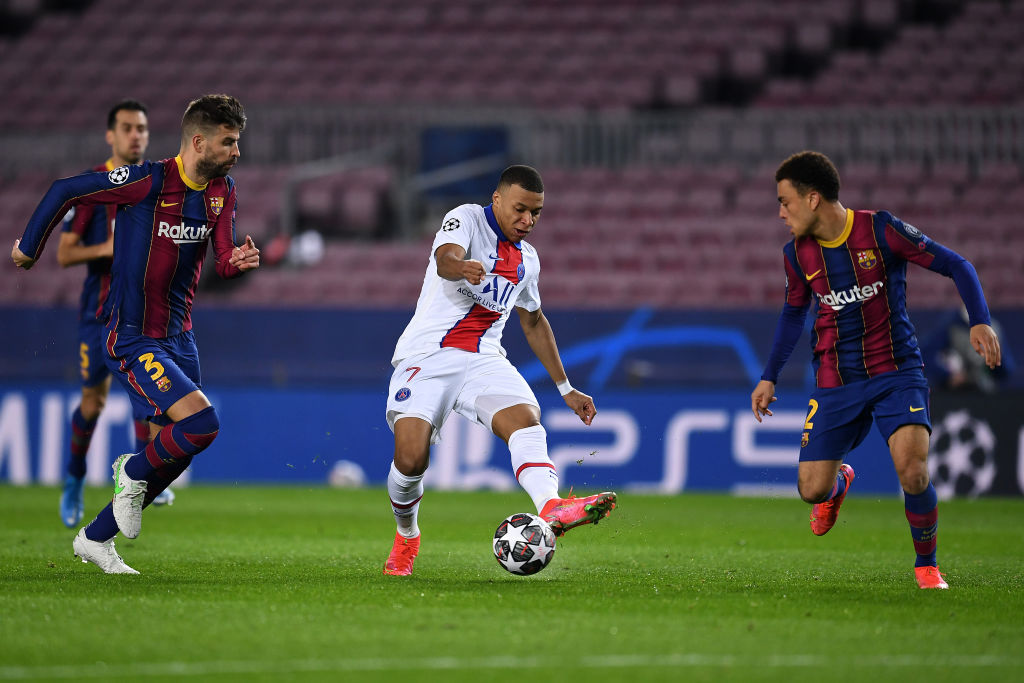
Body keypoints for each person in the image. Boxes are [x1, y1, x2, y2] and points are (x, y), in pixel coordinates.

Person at [12, 94, 260, 574]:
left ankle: (95, 538)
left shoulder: (223, 190)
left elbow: (223, 262)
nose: (236, 152)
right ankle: (130, 472)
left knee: (177, 450)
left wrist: (238, 262)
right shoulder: (147, 181)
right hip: (131, 336)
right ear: (198, 141)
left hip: (180, 338)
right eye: (229, 142)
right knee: (202, 425)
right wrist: (28, 246)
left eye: (237, 142)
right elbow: (66, 189)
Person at [750, 151, 1001, 590]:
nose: (780, 213)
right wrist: (769, 375)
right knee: (811, 489)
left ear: (812, 199)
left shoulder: (880, 230)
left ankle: (927, 567)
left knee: (914, 472)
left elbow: (956, 264)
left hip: (896, 372)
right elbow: (793, 315)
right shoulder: (796, 255)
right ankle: (839, 483)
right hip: (835, 380)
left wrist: (979, 318)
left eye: (785, 202)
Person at [382, 164, 617, 576]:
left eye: (536, 213)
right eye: (520, 209)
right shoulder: (467, 217)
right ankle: (408, 536)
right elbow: (444, 258)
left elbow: (533, 320)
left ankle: (552, 505)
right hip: (428, 354)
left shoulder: (528, 260)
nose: (527, 221)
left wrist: (565, 388)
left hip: (484, 359)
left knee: (525, 419)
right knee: (411, 456)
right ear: (497, 199)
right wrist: (462, 267)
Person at [56, 99, 174, 529]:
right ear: (111, 135)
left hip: (140, 312)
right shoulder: (92, 187)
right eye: (127, 128)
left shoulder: (158, 183)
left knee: (149, 396)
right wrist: (108, 248)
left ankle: (144, 477)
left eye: (141, 128)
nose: (136, 135)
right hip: (97, 313)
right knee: (94, 402)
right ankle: (73, 479)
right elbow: (65, 253)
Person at [922, 305, 1015, 393]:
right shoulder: (951, 325)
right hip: (955, 394)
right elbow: (926, 355)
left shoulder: (993, 327)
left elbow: (1006, 369)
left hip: (985, 393)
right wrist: (947, 376)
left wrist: (993, 360)